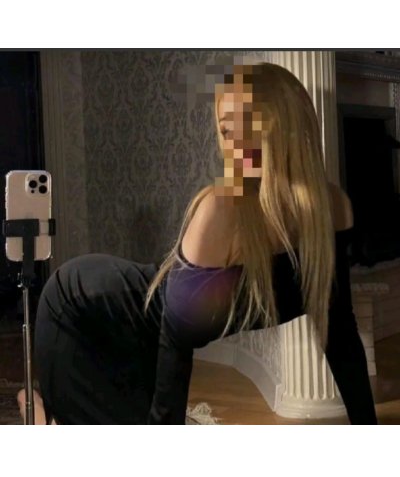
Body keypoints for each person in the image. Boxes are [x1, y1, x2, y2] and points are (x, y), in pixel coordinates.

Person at [21, 61, 378, 425]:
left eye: (248, 121)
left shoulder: (334, 210)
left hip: (145, 336)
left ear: (285, 120)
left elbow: (340, 335)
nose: (236, 141)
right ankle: (37, 410)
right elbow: (174, 343)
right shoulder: (221, 209)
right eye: (226, 130)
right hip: (83, 308)